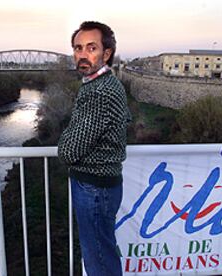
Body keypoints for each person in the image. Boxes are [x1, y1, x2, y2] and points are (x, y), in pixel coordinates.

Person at [58, 21, 131, 276]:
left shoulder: (99, 91)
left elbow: (68, 151)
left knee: (98, 259)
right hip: (101, 186)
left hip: (94, 188)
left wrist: (67, 133)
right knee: (103, 253)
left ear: (106, 53)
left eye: (91, 48)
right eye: (78, 48)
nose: (83, 55)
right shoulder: (103, 84)